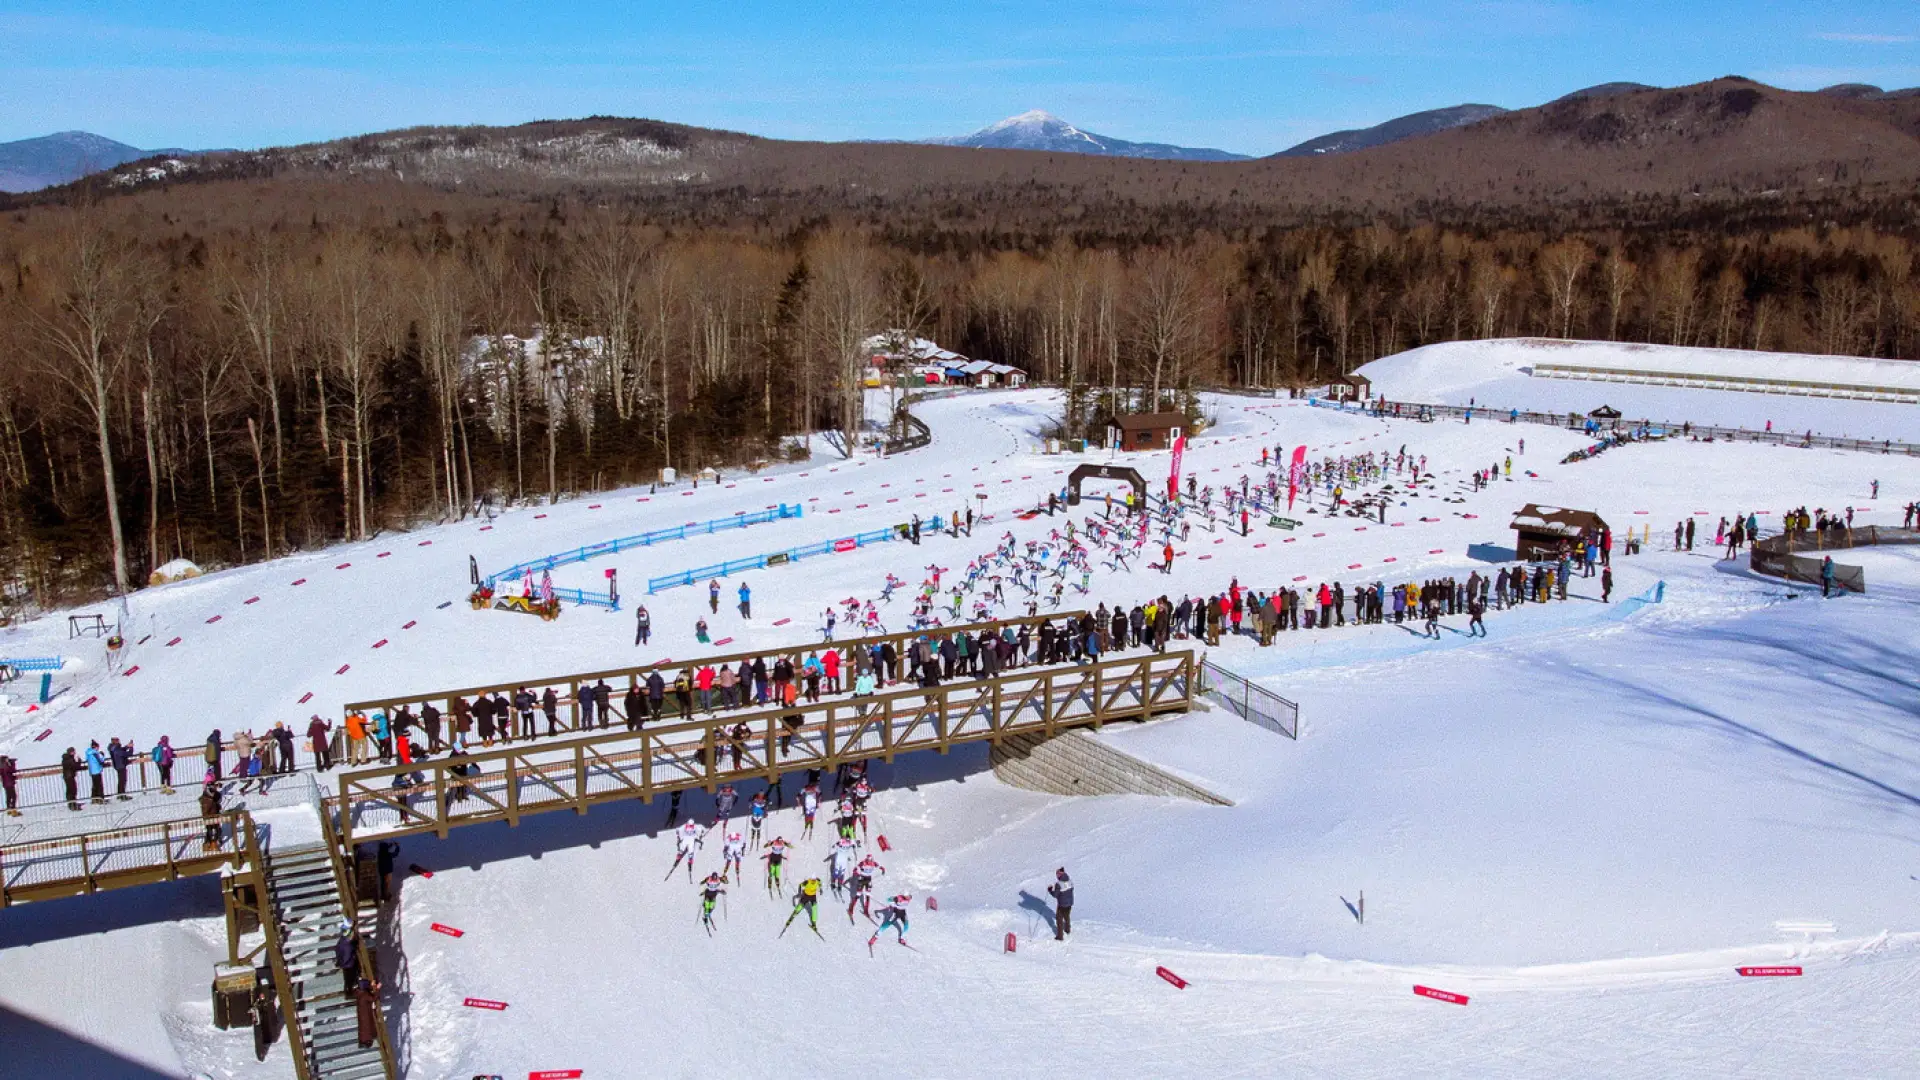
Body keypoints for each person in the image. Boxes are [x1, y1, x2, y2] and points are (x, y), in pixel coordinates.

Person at [334, 923, 362, 996]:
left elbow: (337, 949)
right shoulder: (348, 945)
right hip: (349, 965)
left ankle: (349, 991)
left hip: (344, 964)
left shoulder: (342, 940)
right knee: (350, 979)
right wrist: (352, 957)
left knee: (347, 979)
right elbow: (348, 955)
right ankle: (350, 993)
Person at [353, 976, 381, 1049]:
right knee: (366, 1027)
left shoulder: (360, 993)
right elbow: (373, 998)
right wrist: (377, 989)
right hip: (365, 1016)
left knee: (366, 1028)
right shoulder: (364, 995)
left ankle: (365, 1040)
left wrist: (373, 987)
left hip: (364, 1015)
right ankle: (365, 1040)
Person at [1048, 867, 1074, 940]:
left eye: (1057, 874)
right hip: (1070, 903)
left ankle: (1060, 936)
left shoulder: (1058, 884)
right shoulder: (1070, 881)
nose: (1056, 876)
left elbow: (1055, 895)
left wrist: (1050, 890)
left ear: (1059, 874)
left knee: (1059, 919)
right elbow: (1071, 889)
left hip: (1062, 904)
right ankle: (1067, 929)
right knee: (1067, 916)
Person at [199, 781, 224, 849]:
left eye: (214, 787)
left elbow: (217, 803)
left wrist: (219, 807)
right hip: (208, 817)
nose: (214, 789)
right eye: (213, 787)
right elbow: (205, 810)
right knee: (209, 830)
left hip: (215, 815)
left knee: (218, 829)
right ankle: (207, 843)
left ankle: (216, 841)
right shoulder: (205, 798)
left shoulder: (215, 794)